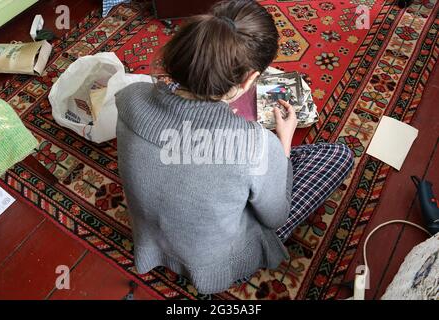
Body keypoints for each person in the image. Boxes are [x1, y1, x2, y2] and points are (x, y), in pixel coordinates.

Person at [115, 0, 354, 294]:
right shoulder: (255, 145)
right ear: (250, 79)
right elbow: (275, 216)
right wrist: (282, 147)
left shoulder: (129, 97)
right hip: (215, 262)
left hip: (152, 239)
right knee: (338, 155)